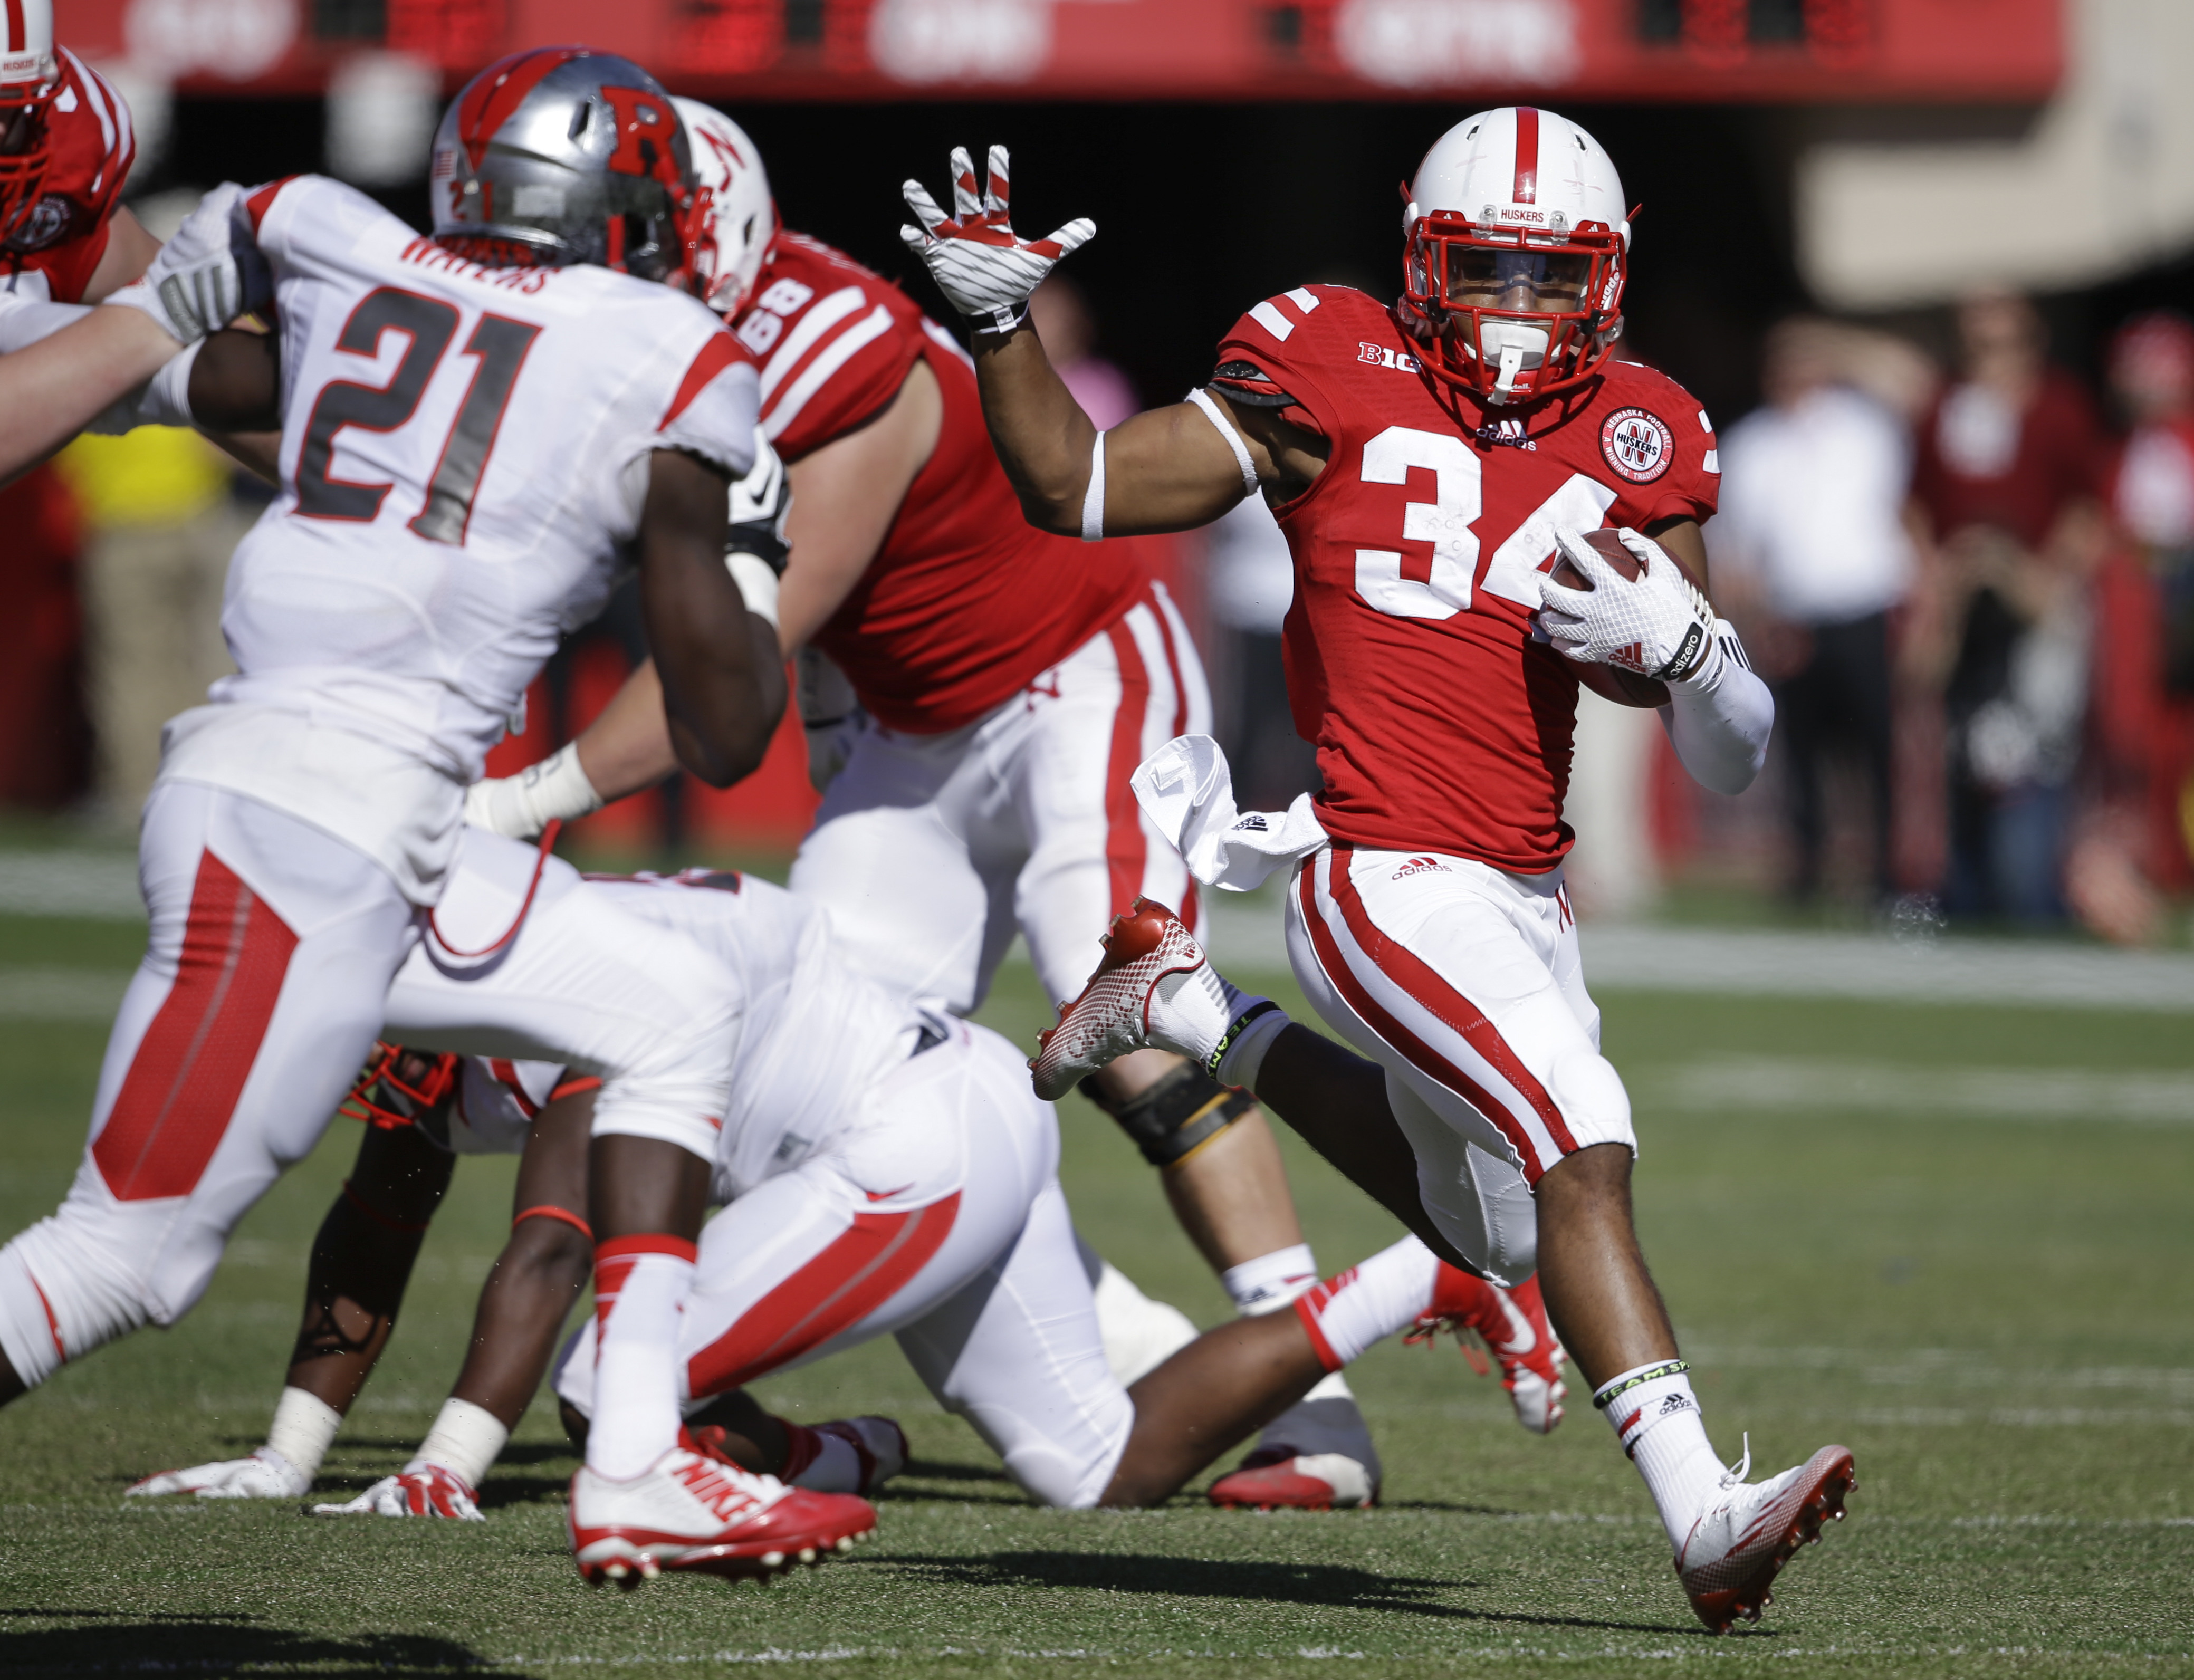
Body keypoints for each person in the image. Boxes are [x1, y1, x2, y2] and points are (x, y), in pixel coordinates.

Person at [459, 100, 1546, 1509]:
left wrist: (518, 796)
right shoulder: (676, 346)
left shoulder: (826, 348)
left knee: (1128, 1005)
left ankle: (1321, 1418)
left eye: (606, 238)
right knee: (829, 1067)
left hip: (1066, 677)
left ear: (703, 237)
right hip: (912, 740)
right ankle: (1160, 1350)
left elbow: (739, 658)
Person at [896, 110, 1855, 1635]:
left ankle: (1200, 1016)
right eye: (1484, 271)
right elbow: (1072, 486)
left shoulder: (1641, 427)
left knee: (1490, 1233)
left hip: (1521, 892)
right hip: (1378, 870)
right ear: (1420, 259)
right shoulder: (1323, 359)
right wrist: (1001, 328)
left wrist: (1697, 652)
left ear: (1604, 281)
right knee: (1580, 1137)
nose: (1516, 312)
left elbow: (1728, 751)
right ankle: (1701, 1513)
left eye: (1551, 280)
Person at [0, 47, 892, 1580]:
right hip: (310, 821)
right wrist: (743, 541)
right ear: (621, 210)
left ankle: (632, 1469)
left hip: (358, 815)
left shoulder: (324, 233)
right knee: (126, 1255)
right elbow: (733, 721)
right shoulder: (666, 348)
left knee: (674, 1004)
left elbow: (145, 367)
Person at [132, 871, 1544, 1535]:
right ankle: (1431, 1276)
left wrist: (446, 1459)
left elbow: (557, 1238)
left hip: (918, 1139)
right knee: (1091, 1470)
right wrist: (286, 1451)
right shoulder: (461, 979)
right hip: (951, 1111)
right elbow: (378, 1217)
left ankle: (812, 1463)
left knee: (601, 1382)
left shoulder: (551, 981)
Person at [1905, 289, 2106, 924]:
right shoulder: (1946, 406)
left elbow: (2088, 506)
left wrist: (2043, 576)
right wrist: (1936, 579)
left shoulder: (2058, 406)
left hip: (2034, 598)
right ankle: (1970, 893)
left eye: (1999, 343)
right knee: (1964, 746)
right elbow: (1918, 505)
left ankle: (2031, 896)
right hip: (1967, 603)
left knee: (2031, 753)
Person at [1710, 317, 1914, 902]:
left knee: (1874, 744)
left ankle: (1886, 871)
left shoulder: (1864, 427)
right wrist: (1754, 618)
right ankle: (1808, 870)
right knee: (1800, 749)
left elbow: (1913, 380)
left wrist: (1843, 347)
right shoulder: (1752, 442)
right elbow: (1736, 546)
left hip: (1863, 606)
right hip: (1792, 615)